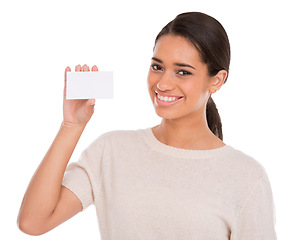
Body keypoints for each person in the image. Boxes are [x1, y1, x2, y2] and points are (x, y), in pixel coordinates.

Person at [17, 12, 277, 239]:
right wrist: (71, 125)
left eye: (183, 71)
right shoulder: (112, 151)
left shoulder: (246, 177)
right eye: (157, 66)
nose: (163, 83)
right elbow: (33, 222)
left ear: (217, 81)